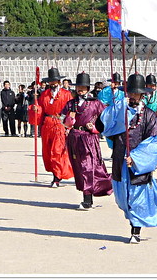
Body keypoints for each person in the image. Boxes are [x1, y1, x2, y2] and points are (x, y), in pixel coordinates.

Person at [101, 73, 157, 243]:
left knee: (137, 197)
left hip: (137, 164)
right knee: (122, 198)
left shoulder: (149, 115)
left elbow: (156, 141)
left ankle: (136, 231)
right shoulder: (120, 112)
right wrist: (115, 111)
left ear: (142, 95)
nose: (132, 96)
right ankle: (133, 222)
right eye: (130, 93)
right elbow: (106, 128)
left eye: (136, 93)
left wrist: (135, 158)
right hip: (120, 160)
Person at [61, 72, 112, 210]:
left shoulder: (95, 103)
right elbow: (63, 120)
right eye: (78, 87)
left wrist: (95, 128)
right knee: (78, 167)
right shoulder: (71, 104)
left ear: (88, 89)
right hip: (74, 137)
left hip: (89, 138)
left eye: (83, 87)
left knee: (88, 167)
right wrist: (68, 121)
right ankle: (86, 195)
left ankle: (88, 199)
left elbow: (106, 119)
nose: (80, 90)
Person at [36, 67, 74, 187]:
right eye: (50, 82)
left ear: (59, 82)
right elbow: (40, 110)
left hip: (60, 123)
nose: (52, 84)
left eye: (55, 81)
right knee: (47, 151)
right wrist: (35, 109)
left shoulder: (66, 94)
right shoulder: (44, 94)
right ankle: (54, 173)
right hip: (47, 124)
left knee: (57, 151)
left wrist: (69, 126)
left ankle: (57, 177)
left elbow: (71, 111)